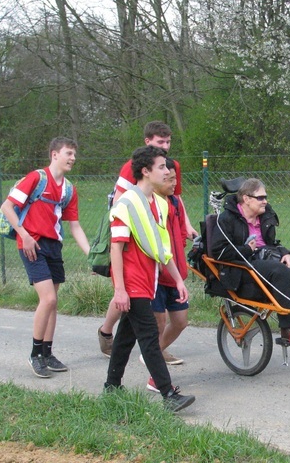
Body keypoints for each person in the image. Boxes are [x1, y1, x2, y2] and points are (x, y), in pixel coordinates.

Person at [103, 145, 195, 412]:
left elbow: (162, 247)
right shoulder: (126, 203)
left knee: (125, 336)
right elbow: (116, 248)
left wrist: (177, 279)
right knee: (148, 338)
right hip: (132, 283)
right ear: (145, 171)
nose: (168, 171)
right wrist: (120, 289)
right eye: (162, 167)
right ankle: (168, 394)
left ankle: (111, 386)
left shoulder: (160, 204)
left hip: (149, 280)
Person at [98, 121, 197, 360]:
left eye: (168, 142)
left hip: (161, 237)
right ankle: (107, 331)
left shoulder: (171, 168)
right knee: (128, 295)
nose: (165, 146)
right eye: (160, 142)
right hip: (136, 239)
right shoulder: (134, 167)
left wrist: (186, 224)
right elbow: (120, 203)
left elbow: (176, 196)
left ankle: (150, 350)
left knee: (146, 306)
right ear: (148, 142)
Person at [0, 137, 90, 378]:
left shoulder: (69, 189)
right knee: (47, 299)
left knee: (53, 301)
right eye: (68, 153)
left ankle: (48, 354)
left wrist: (92, 256)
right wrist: (24, 235)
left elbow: (76, 227)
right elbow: (8, 207)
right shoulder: (36, 178)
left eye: (74, 155)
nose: (72, 158)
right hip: (30, 244)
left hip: (53, 246)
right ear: (54, 155)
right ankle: (35, 354)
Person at [210, 178, 290, 344]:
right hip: (242, 267)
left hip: (265, 260)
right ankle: (288, 329)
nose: (265, 201)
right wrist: (247, 249)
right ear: (246, 199)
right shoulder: (227, 219)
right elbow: (219, 252)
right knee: (280, 271)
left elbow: (271, 244)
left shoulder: (264, 217)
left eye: (265, 197)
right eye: (260, 198)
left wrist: (285, 253)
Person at [144, 158, 190, 392]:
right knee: (158, 323)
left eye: (175, 179)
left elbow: (180, 236)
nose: (173, 184)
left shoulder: (175, 203)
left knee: (181, 321)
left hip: (175, 274)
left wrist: (181, 268)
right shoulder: (148, 203)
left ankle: (151, 354)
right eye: (169, 179)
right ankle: (156, 374)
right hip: (155, 276)